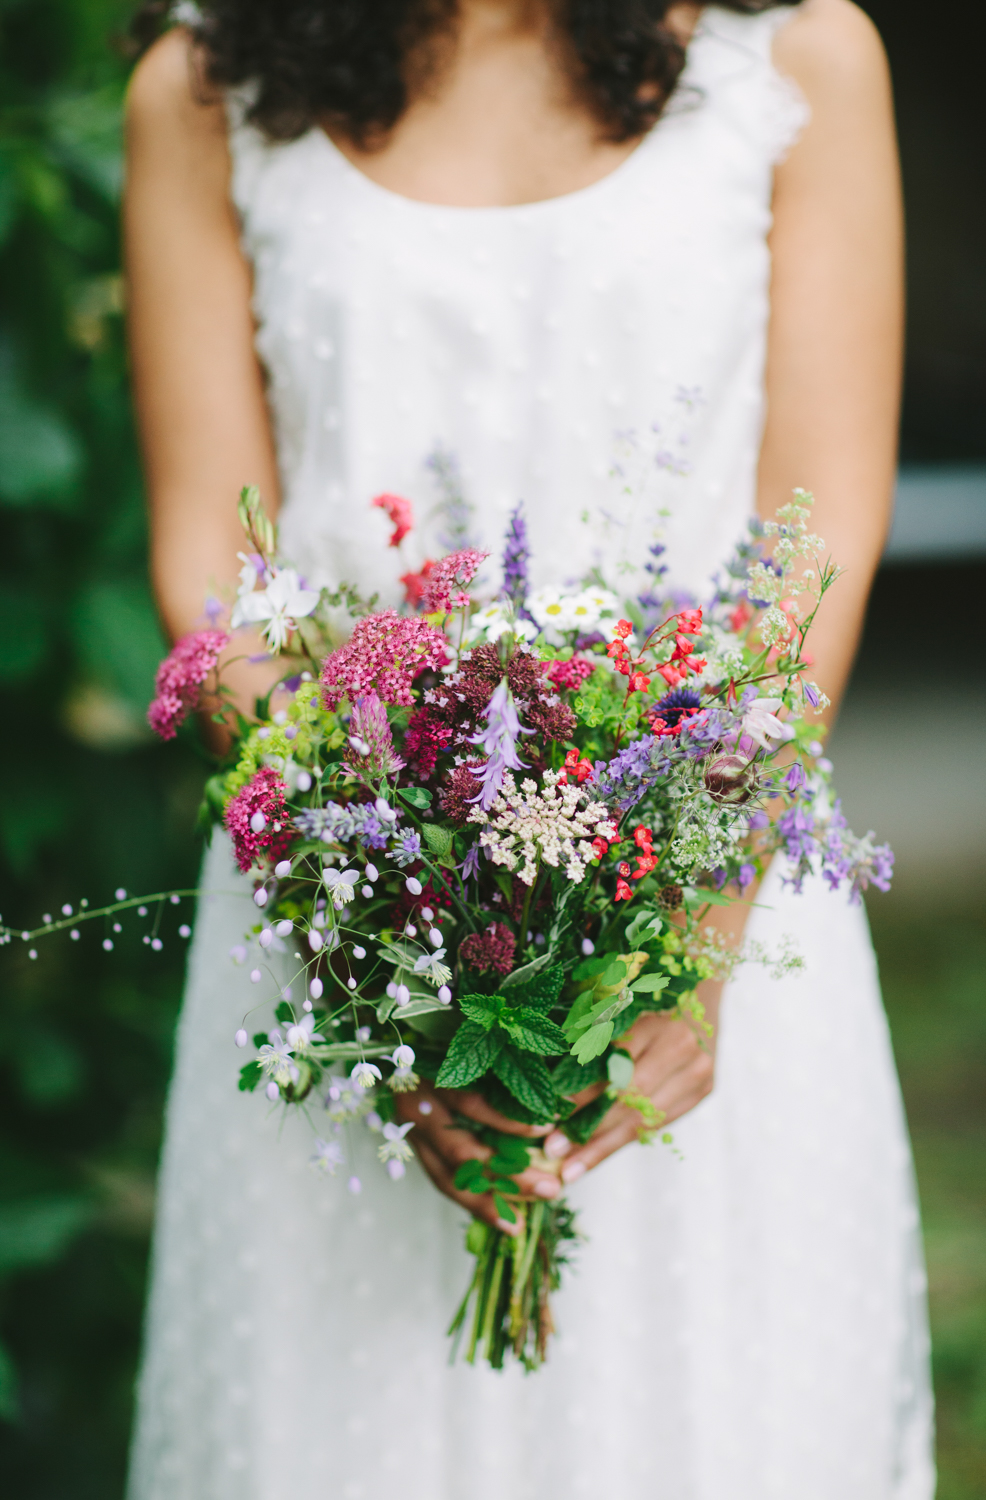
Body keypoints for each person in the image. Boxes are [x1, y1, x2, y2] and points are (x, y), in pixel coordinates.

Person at [123, 2, 934, 1495]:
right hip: (340, 908)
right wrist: (370, 925)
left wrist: (688, 936)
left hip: (706, 888)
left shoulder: (798, 54)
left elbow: (815, 531)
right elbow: (210, 569)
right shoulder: (204, 82)